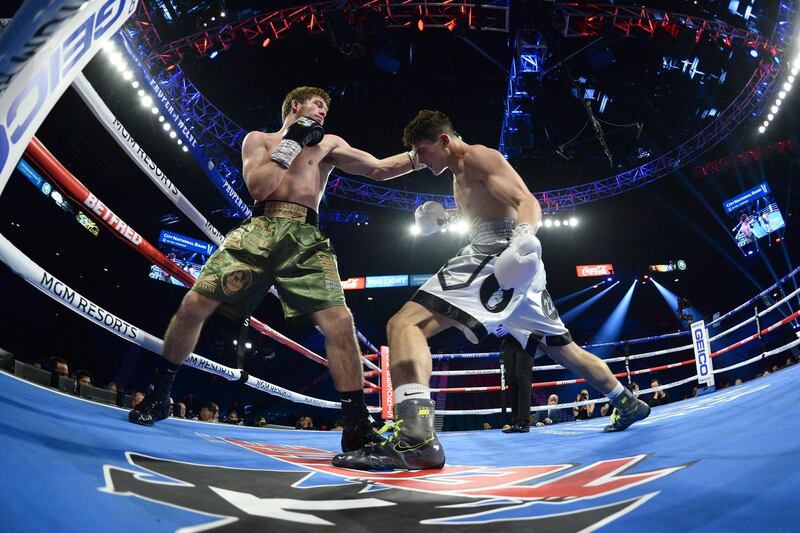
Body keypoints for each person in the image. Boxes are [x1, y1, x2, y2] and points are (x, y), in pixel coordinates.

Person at [334, 110, 650, 471]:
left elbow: (526, 202)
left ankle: (416, 437)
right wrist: (448, 221)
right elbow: (485, 207)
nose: (419, 161)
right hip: (516, 270)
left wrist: (524, 237)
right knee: (566, 351)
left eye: (422, 151)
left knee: (405, 325)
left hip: (498, 253)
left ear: (444, 140)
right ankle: (627, 402)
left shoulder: (480, 157)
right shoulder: (458, 173)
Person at [129, 87, 420, 456]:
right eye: (318, 104)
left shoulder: (329, 144)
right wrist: (293, 142)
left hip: (306, 236)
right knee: (192, 305)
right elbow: (260, 186)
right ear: (294, 105)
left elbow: (379, 169)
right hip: (259, 228)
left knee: (340, 322)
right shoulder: (259, 140)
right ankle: (160, 393)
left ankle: (357, 427)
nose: (323, 112)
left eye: (326, 108)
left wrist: (420, 156)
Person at [499, 336, 533, 433]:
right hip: (508, 342)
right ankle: (516, 421)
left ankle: (524, 422)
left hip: (525, 339)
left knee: (523, 380)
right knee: (511, 381)